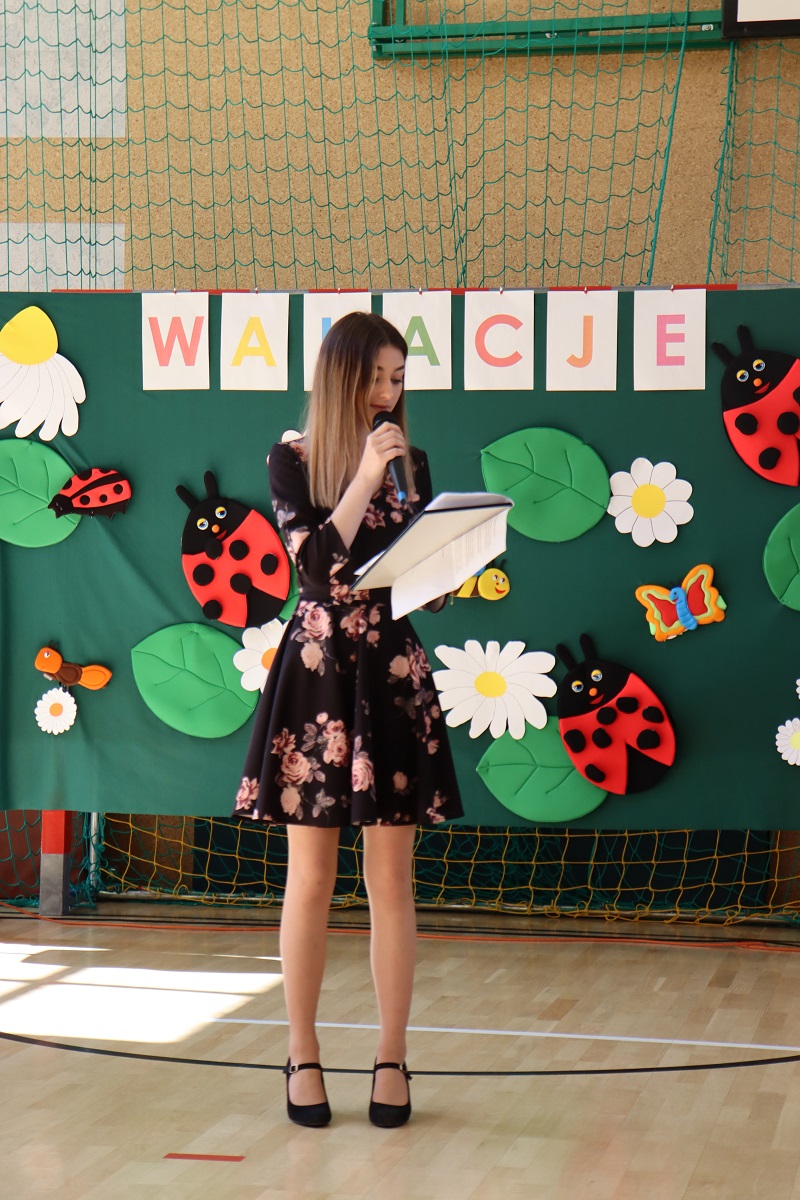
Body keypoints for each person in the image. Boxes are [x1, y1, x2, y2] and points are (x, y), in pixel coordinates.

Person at [233, 311, 463, 1128]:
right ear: (343, 377)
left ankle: (392, 1056)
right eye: (378, 378)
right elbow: (316, 570)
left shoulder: (412, 464)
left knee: (391, 879)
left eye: (399, 379)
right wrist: (365, 476)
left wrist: (449, 565)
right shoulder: (291, 459)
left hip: (391, 669)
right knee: (311, 878)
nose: (391, 394)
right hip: (320, 674)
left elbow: (416, 582)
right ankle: (302, 1053)